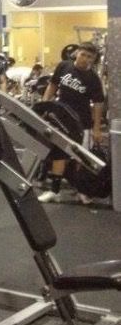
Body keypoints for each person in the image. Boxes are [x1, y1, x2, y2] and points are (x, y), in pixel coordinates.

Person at [37, 42, 104, 205]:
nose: (85, 59)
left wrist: (96, 129)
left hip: (83, 123)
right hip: (61, 118)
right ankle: (54, 191)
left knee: (80, 158)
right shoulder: (64, 66)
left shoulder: (93, 79)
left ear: (93, 59)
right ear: (77, 53)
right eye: (83, 55)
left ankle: (82, 190)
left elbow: (98, 104)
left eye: (90, 57)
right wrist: (44, 106)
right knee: (58, 153)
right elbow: (52, 85)